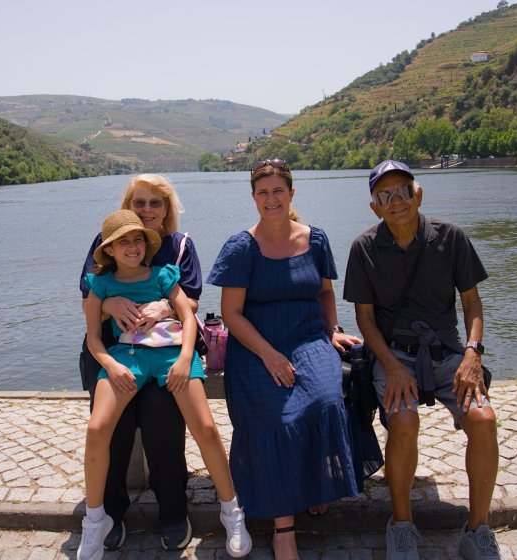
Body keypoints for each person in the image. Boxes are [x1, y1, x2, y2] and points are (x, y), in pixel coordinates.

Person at [344, 160, 501, 560]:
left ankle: (478, 530)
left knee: (484, 421)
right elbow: (365, 319)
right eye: (385, 195)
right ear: (375, 207)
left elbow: (472, 303)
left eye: (402, 191)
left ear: (418, 194)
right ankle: (401, 524)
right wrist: (391, 366)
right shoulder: (364, 248)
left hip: (448, 352)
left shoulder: (451, 237)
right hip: (394, 352)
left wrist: (472, 353)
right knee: (403, 421)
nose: (396, 201)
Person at [208, 159, 362, 560]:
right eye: (263, 192)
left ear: (291, 193)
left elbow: (325, 292)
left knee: (327, 398)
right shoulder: (241, 247)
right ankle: (284, 529)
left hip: (308, 337)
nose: (271, 199)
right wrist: (269, 354)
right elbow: (231, 314)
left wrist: (332, 329)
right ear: (253, 197)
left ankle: (315, 484)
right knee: (276, 416)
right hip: (256, 346)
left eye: (278, 191)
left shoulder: (315, 240)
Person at [78, 209, 251, 560]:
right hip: (125, 358)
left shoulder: (163, 275)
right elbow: (93, 338)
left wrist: (186, 358)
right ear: (109, 249)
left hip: (172, 355)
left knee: (206, 428)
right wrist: (111, 365)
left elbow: (187, 316)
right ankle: (96, 521)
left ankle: (231, 511)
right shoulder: (100, 285)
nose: (132, 247)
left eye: (137, 240)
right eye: (123, 242)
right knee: (97, 429)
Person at [78, 174, 202, 552]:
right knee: (115, 428)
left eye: (155, 203)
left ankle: (173, 511)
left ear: (166, 209)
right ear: (127, 206)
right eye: (139, 202)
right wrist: (109, 304)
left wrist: (166, 305)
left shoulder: (179, 247)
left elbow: (191, 300)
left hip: (164, 352)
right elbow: (88, 299)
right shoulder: (107, 240)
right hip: (111, 352)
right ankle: (111, 512)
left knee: (162, 422)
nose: (147, 210)